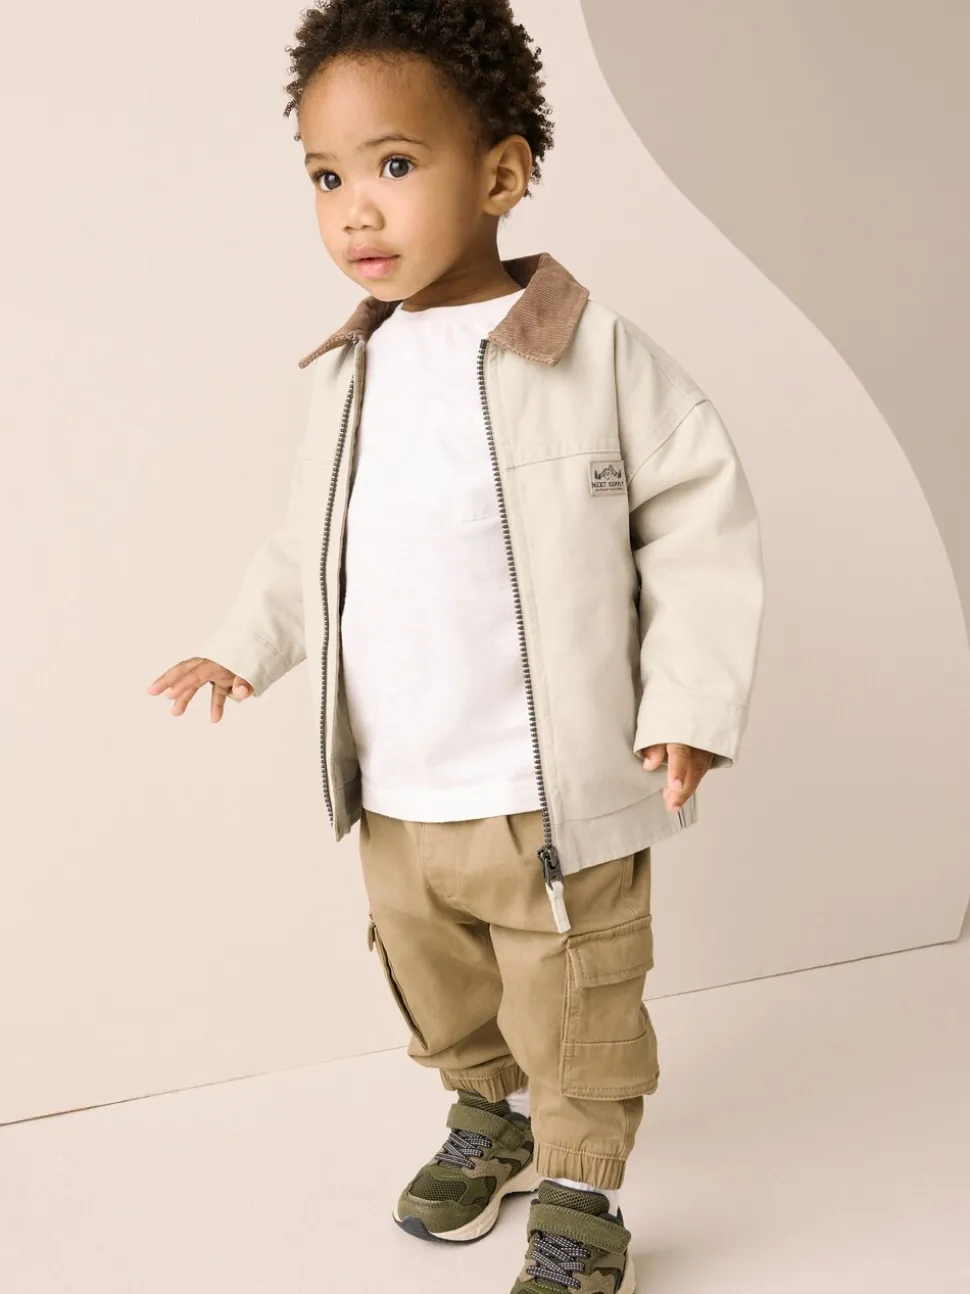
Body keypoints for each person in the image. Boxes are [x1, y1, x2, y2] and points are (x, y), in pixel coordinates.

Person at [147, 1, 766, 1288]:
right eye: (325, 177)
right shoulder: (349, 374)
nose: (353, 210)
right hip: (400, 790)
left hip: (552, 791)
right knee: (437, 981)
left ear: (500, 174)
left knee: (578, 997)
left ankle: (583, 1193)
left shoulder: (592, 354)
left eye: (392, 163)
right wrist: (241, 645)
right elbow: (309, 547)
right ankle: (491, 1115)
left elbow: (698, 523)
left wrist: (689, 700)